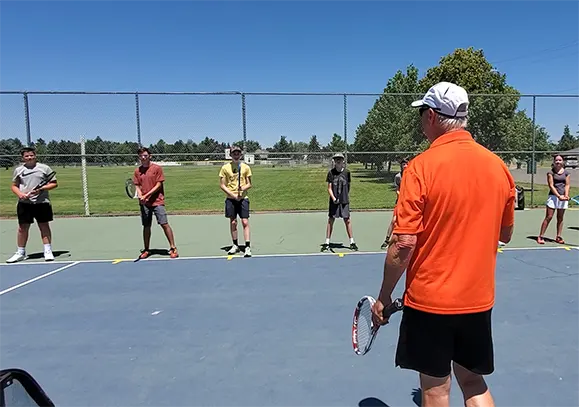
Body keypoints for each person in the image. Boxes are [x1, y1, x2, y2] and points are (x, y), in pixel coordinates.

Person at [371, 82, 516, 407]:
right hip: (478, 300)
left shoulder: (420, 168)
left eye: (422, 113)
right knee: (474, 383)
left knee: (436, 391)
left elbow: (403, 244)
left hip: (431, 302)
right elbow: (504, 234)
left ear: (433, 116)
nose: (421, 120)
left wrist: (383, 297)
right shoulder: (498, 167)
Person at [6, 147, 58, 263]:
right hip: (24, 203)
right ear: (23, 157)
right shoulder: (19, 170)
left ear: (35, 156)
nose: (29, 157)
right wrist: (20, 194)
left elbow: (54, 184)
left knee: (44, 226)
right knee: (22, 228)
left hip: (42, 202)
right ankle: (20, 252)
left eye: (31, 155)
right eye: (26, 156)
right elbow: (14, 185)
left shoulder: (44, 168)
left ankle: (48, 251)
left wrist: (42, 189)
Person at [132, 147, 179, 259]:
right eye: (141, 156)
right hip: (144, 204)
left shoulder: (157, 168)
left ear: (150, 156)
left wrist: (147, 195)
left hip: (157, 201)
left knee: (164, 223)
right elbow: (137, 185)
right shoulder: (137, 171)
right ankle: (146, 249)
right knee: (146, 226)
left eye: (145, 156)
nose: (143, 158)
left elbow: (158, 185)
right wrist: (140, 195)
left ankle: (173, 248)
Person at [219, 145, 252, 257]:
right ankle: (235, 245)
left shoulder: (246, 167)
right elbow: (222, 185)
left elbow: (249, 184)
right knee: (233, 222)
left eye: (238, 153)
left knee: (245, 222)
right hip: (231, 199)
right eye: (234, 153)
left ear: (240, 155)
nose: (236, 155)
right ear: (231, 155)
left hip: (243, 199)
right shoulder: (225, 168)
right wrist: (232, 194)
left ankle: (247, 247)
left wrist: (243, 188)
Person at [321, 153, 358, 252]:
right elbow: (329, 188)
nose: (338, 161)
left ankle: (352, 242)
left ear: (343, 161)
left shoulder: (347, 173)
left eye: (340, 159)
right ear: (334, 161)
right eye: (336, 159)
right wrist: (334, 198)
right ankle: (327, 242)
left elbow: (348, 186)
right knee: (331, 220)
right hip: (334, 202)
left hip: (344, 201)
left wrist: (344, 197)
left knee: (347, 220)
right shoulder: (331, 173)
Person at [537, 154, 570, 244]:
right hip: (553, 197)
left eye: (560, 160)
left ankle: (558, 237)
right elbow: (551, 186)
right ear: (554, 162)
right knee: (549, 217)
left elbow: (567, 185)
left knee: (560, 218)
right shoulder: (550, 173)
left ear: (562, 161)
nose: (558, 162)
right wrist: (559, 196)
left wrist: (566, 195)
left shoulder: (566, 173)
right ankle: (540, 236)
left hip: (563, 198)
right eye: (556, 160)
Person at [381, 158, 408, 250]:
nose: (405, 166)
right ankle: (387, 240)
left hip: (411, 203)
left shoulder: (413, 176)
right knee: (394, 221)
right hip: (400, 202)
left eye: (406, 164)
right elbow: (397, 189)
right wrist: (401, 197)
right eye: (403, 164)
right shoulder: (398, 176)